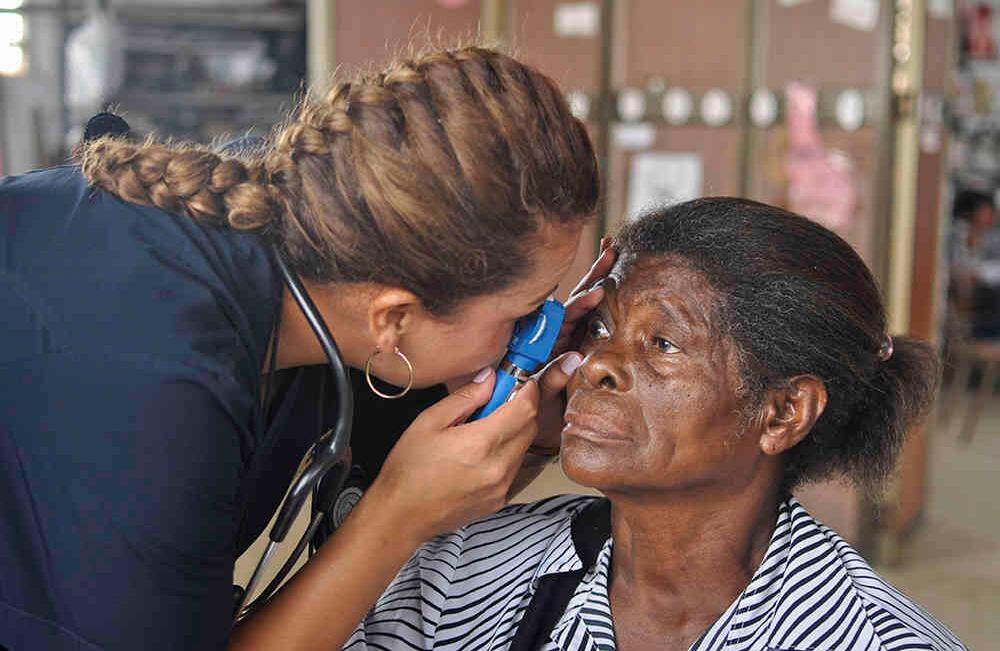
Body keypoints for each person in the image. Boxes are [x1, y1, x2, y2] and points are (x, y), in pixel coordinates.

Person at [0, 46, 612, 651]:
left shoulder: (309, 230)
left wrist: (515, 429)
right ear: (393, 318)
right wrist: (395, 518)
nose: (541, 328)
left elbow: (421, 478)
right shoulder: (152, 400)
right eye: (525, 309)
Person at [345, 198, 967, 651]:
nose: (596, 367)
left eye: (663, 343)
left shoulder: (873, 639)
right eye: (602, 328)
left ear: (782, 413)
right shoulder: (463, 569)